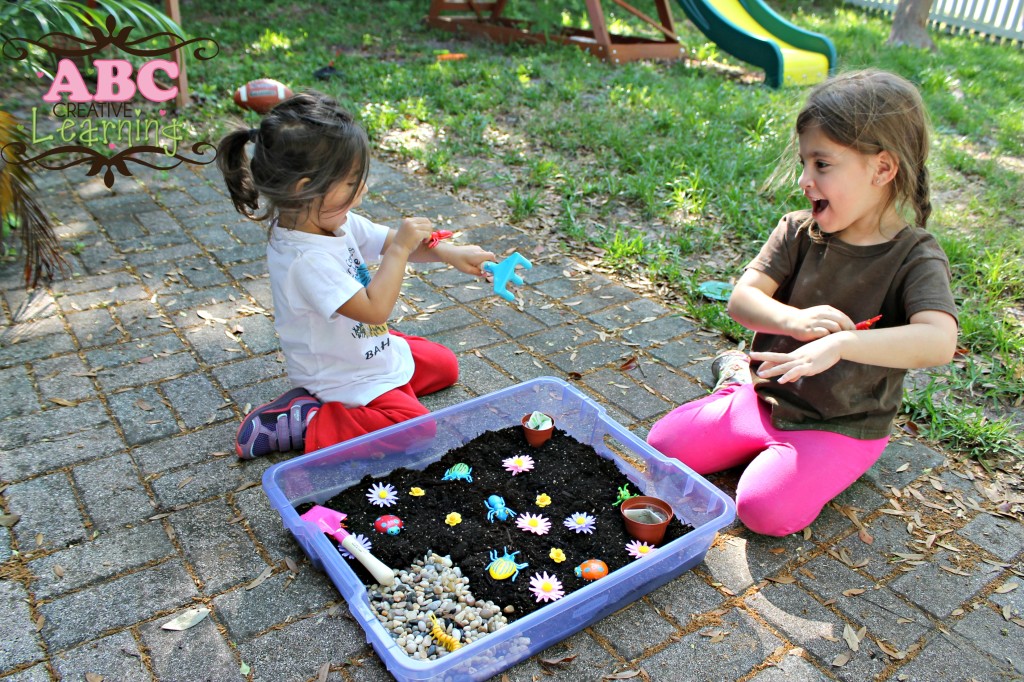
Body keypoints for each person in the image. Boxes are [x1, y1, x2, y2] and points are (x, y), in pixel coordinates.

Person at [647, 70, 958, 537]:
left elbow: (938, 341)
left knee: (765, 512)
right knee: (663, 446)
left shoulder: (914, 255)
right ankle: (735, 379)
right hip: (764, 398)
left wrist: (841, 345)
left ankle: (752, 406)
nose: (804, 180)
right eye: (803, 163)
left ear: (882, 169)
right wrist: (791, 320)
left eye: (822, 165)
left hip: (841, 424)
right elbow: (742, 299)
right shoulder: (797, 230)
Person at [217, 91, 495, 459]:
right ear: (306, 190)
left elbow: (388, 240)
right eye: (350, 182)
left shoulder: (332, 222)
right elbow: (375, 309)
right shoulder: (305, 260)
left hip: (363, 349)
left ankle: (387, 385)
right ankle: (309, 420)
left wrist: (450, 253)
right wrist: (399, 252)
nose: (361, 190)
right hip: (340, 376)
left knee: (445, 365)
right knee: (417, 431)